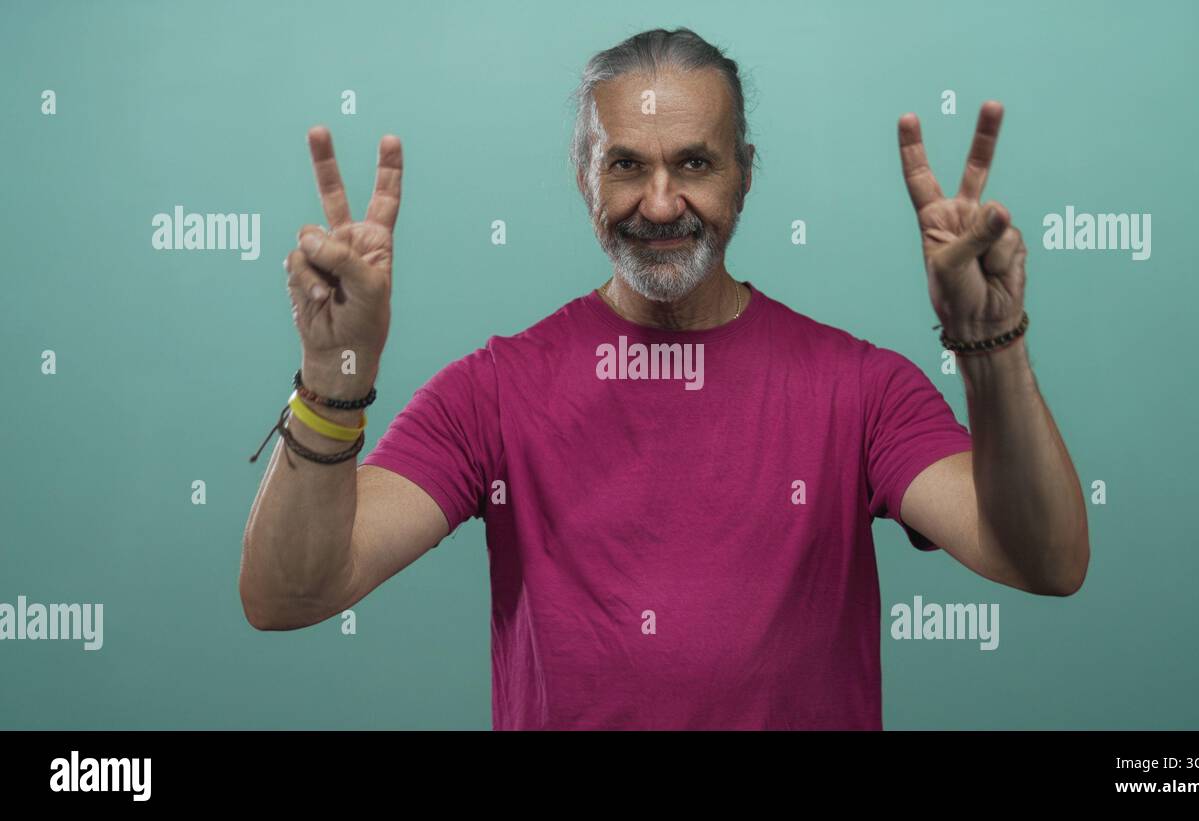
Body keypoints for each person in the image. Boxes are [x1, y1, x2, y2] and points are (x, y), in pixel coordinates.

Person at [241, 27, 1089, 730]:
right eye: (625, 165)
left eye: (693, 164)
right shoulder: (494, 390)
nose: (657, 204)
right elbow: (290, 593)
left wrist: (991, 343)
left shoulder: (859, 389)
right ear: (584, 177)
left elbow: (1043, 559)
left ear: (744, 174)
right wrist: (331, 369)